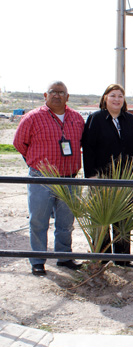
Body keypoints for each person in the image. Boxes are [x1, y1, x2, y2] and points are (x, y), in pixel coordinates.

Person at [13, 81, 85, 276]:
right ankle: (38, 261)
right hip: (41, 179)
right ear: (45, 95)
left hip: (69, 179)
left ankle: (64, 256)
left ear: (67, 97)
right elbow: (19, 143)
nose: (57, 95)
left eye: (61, 92)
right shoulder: (32, 118)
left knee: (66, 222)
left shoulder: (77, 118)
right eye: (53, 92)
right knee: (38, 220)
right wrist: (35, 163)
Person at [81, 84, 133, 267]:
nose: (117, 99)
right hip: (102, 177)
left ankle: (122, 259)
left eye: (120, 96)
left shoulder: (129, 119)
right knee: (102, 219)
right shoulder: (96, 118)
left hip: (124, 178)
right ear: (105, 98)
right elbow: (88, 149)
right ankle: (103, 258)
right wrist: (91, 175)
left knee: (123, 218)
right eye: (113, 95)